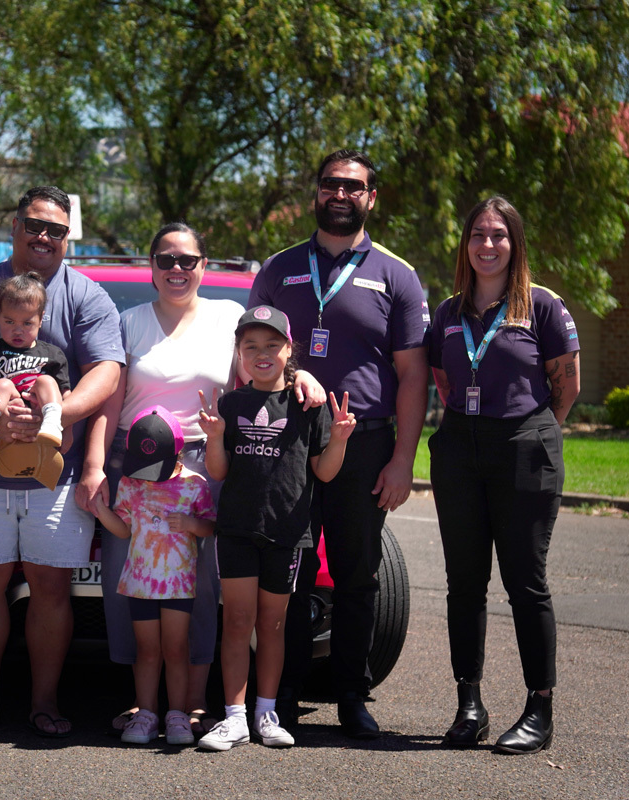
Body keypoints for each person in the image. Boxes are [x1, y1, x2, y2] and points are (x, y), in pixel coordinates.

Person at [76, 222, 324, 737]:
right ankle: (143, 702)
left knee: (204, 582)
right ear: (151, 265)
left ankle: (191, 700)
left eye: (187, 260)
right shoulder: (128, 322)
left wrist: (301, 374)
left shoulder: (227, 316)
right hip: (135, 464)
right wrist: (95, 465)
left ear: (203, 266)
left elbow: (262, 367)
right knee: (133, 577)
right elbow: (109, 402)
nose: (176, 269)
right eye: (165, 259)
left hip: (207, 460)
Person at [249, 149, 430, 737]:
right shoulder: (279, 269)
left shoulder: (397, 276)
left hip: (365, 443)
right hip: (288, 440)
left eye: (354, 186)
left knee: (357, 575)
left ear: (371, 197)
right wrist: (289, 374)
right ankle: (281, 694)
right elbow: (249, 355)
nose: (341, 194)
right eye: (331, 184)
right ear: (317, 193)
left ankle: (352, 694)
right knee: (290, 572)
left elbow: (413, 376)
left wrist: (403, 459)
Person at [0, 186, 123, 737]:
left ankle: (45, 703)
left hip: (53, 475)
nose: (44, 236)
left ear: (68, 237)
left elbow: (107, 371)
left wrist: (56, 416)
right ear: (15, 227)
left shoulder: (88, 297)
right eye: (34, 225)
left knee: (51, 590)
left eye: (56, 230)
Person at [427, 196, 580, 754]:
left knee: (525, 583)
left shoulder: (542, 306)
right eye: (477, 235)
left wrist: (529, 433)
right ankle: (469, 705)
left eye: (498, 235)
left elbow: (567, 387)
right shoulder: (447, 313)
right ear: (465, 244)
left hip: (523, 447)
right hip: (459, 450)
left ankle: (539, 708)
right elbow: (444, 381)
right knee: (464, 583)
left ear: (515, 244)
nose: (487, 245)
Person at [196, 305, 356, 751]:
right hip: (236, 530)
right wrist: (214, 437)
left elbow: (324, 472)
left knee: (273, 624)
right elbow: (219, 470)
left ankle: (267, 713)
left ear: (289, 349)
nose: (261, 354)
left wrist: (340, 440)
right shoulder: (230, 404)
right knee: (237, 622)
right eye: (251, 346)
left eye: (271, 345)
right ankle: (234, 718)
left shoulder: (308, 405)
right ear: (239, 353)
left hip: (286, 533)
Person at [91, 407, 216, 746]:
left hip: (178, 584)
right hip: (140, 583)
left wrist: (191, 525)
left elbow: (210, 526)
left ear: (177, 453)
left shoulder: (194, 484)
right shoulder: (130, 483)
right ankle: (146, 713)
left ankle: (177, 714)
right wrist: (100, 510)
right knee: (146, 650)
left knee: (176, 649)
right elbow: (123, 529)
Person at [0, 271, 68, 452]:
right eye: (9, 322)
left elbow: (65, 393)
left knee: (46, 381)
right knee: (3, 384)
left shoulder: (53, 354)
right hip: (6, 412)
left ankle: (53, 424)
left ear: (40, 320)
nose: (17, 330)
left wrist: (68, 427)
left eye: (27, 323)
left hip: (39, 412)